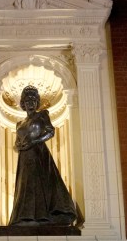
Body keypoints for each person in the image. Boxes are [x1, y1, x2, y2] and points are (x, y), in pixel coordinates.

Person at [7, 85, 78, 227]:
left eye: (33, 100)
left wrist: (34, 141)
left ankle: (42, 216)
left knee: (38, 183)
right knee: (25, 184)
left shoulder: (42, 115)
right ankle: (25, 217)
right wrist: (19, 146)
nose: (30, 103)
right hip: (25, 157)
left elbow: (50, 132)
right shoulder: (19, 124)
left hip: (39, 154)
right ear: (23, 103)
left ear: (37, 102)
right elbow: (16, 143)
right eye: (27, 101)